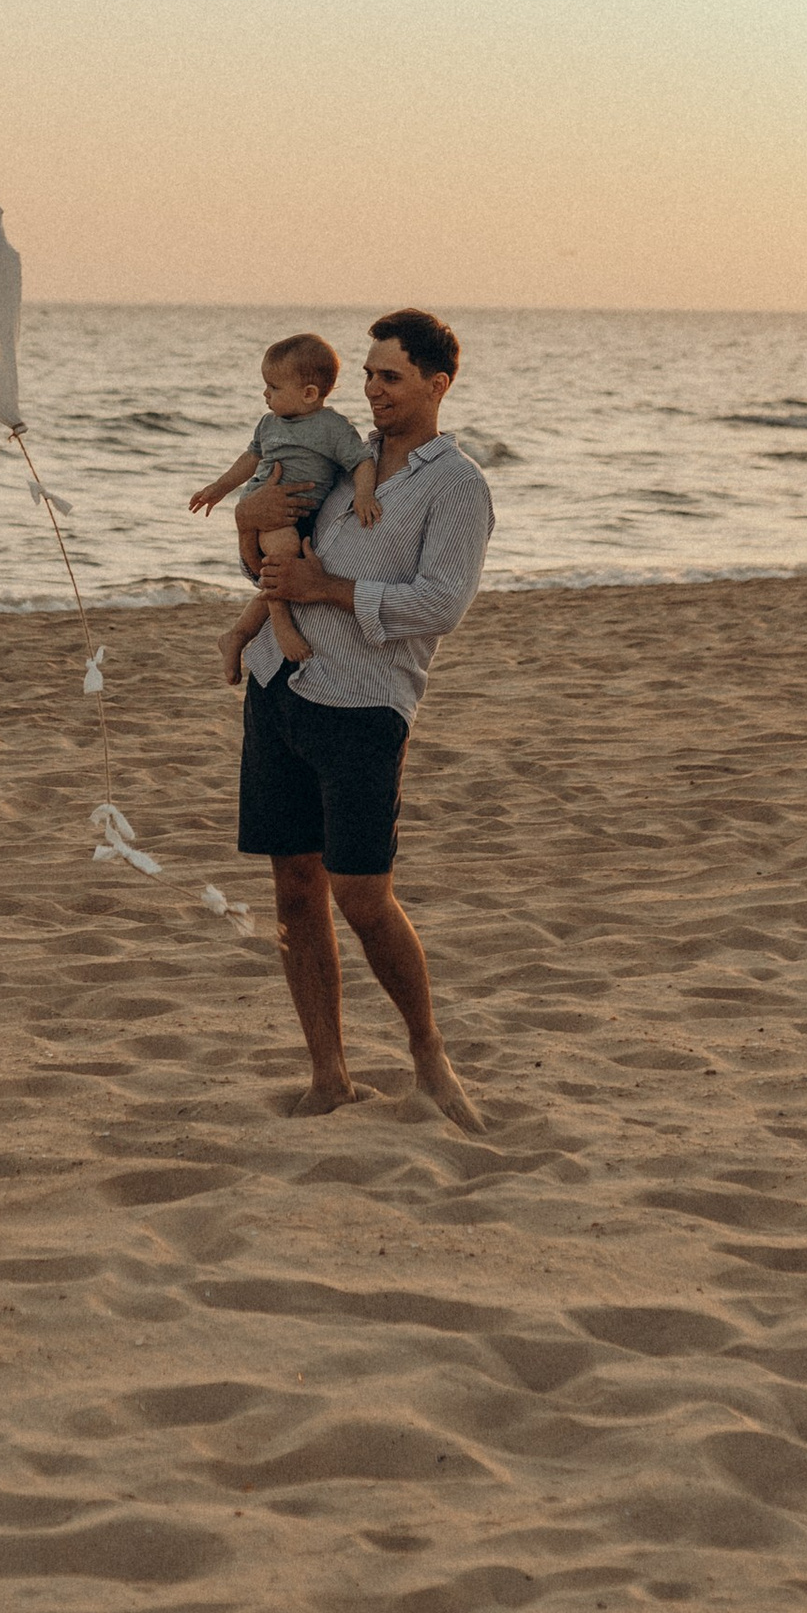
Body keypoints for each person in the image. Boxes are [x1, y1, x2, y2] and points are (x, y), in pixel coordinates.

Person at [232, 308, 492, 1132]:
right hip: (278, 685)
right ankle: (328, 1073)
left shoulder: (458, 486)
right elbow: (273, 558)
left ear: (435, 385)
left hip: (365, 704)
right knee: (293, 885)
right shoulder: (336, 452)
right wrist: (250, 517)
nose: (373, 390)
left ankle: (426, 1050)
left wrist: (330, 591)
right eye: (370, 375)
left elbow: (441, 607)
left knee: (362, 894)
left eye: (390, 377)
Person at [190, 331, 382, 686]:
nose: (265, 394)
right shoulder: (269, 424)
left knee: (287, 571)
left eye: (274, 388)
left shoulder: (333, 428)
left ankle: (235, 636)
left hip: (301, 516)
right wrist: (218, 489)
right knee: (284, 556)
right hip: (269, 505)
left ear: (309, 394)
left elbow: (361, 463)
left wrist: (364, 495)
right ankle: (280, 620)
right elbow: (251, 458)